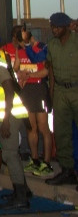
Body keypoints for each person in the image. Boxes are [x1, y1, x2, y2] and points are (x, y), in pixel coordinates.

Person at [0, 33, 30, 210]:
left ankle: (21, 198)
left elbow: (9, 91)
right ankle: (23, 191)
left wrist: (7, 120)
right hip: (8, 115)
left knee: (10, 154)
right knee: (11, 153)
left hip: (9, 116)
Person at [44, 12, 78, 186]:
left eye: (57, 27)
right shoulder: (52, 45)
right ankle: (67, 171)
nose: (54, 30)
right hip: (60, 91)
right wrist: (51, 96)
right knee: (61, 133)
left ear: (66, 27)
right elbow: (50, 72)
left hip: (76, 88)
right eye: (52, 26)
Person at [16, 28, 53, 177]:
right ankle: (35, 159)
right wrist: (20, 73)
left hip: (39, 89)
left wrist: (30, 74)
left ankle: (47, 162)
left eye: (23, 38)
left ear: (28, 37)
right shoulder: (20, 49)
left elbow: (45, 71)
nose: (21, 42)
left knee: (43, 127)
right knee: (31, 128)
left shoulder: (41, 47)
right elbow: (16, 67)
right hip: (26, 91)